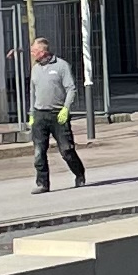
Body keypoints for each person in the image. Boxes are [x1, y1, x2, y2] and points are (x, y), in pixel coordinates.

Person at [27, 37, 86, 192]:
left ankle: (79, 174)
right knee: (39, 152)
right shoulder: (35, 69)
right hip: (40, 114)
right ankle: (42, 183)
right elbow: (33, 92)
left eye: (34, 50)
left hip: (57, 114)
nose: (32, 53)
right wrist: (32, 113)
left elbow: (71, 88)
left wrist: (66, 108)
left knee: (66, 150)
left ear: (43, 51)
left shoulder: (61, 66)